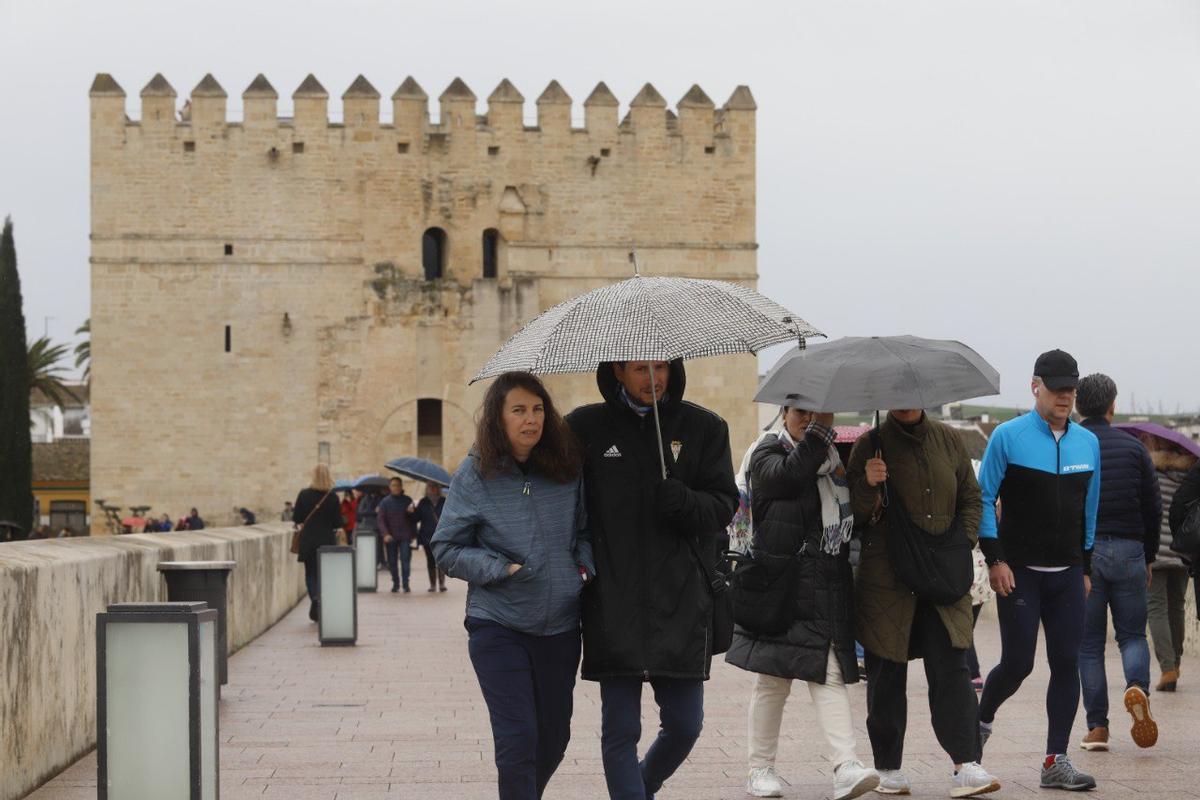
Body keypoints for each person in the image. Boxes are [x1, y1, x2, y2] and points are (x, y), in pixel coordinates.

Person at [566, 359, 738, 800]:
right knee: (620, 729)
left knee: (684, 725)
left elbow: (722, 505)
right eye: (639, 368)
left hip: (680, 599)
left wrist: (683, 501)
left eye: (660, 366)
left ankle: (640, 787)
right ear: (617, 373)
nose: (652, 377)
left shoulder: (704, 427)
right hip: (613, 599)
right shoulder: (584, 428)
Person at [432, 371, 593, 800]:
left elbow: (584, 532)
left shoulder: (566, 468)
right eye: (519, 410)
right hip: (498, 625)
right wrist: (502, 570)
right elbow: (446, 548)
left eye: (538, 409)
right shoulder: (475, 474)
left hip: (560, 626)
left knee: (554, 739)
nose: (531, 419)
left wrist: (582, 569)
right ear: (498, 419)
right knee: (518, 737)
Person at [725, 406, 879, 800]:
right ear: (784, 413)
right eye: (799, 412)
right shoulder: (766, 453)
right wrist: (817, 435)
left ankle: (845, 765)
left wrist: (869, 484)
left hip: (824, 588)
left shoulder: (835, 464)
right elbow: (788, 477)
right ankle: (760, 767)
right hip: (777, 589)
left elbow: (852, 522)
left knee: (828, 675)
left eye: (815, 413)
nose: (806, 419)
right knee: (773, 680)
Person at [847, 409, 1000, 798]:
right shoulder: (870, 444)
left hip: (941, 574)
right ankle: (888, 767)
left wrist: (961, 542)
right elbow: (856, 516)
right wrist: (867, 483)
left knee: (951, 665)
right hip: (887, 579)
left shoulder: (949, 439)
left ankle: (966, 763)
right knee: (886, 672)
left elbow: (971, 496)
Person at [976, 349, 1100, 791]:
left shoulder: (1089, 443)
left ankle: (1055, 760)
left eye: (1071, 389)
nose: (1066, 396)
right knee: (1017, 663)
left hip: (1067, 574)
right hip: (1020, 572)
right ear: (1036, 386)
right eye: (1057, 388)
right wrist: (996, 559)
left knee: (1068, 663)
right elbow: (983, 498)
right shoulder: (1007, 438)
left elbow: (1090, 509)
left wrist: (1084, 568)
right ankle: (980, 724)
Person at [1075, 374, 1161, 751]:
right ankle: (1137, 687)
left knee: (1090, 644)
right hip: (1129, 549)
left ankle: (1097, 728)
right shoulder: (1134, 448)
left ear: (1078, 405)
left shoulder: (1072, 446)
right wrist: (1150, 556)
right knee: (1132, 634)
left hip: (1086, 555)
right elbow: (1153, 506)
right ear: (1112, 406)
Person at [1156, 457, 1200, 690]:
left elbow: (1174, 506)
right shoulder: (1189, 470)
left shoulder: (1153, 472)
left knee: (1157, 608)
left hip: (1159, 551)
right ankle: (1175, 664)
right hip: (1181, 554)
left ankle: (1168, 667)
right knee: (1177, 606)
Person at [292, 465, 343, 622]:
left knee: (311, 573)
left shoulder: (304, 494)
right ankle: (320, 600)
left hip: (309, 540)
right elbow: (337, 522)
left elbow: (297, 518)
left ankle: (315, 597)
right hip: (326, 540)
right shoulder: (332, 497)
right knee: (324, 575)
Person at [377, 477, 417, 593]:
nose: (396, 487)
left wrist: (412, 513)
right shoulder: (385, 502)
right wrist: (385, 534)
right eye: (394, 485)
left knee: (405, 560)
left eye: (398, 485)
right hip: (391, 536)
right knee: (392, 561)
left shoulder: (408, 500)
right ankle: (395, 582)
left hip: (405, 535)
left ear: (401, 486)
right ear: (390, 487)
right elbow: (381, 520)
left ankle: (405, 583)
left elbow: (414, 519)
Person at [416, 482, 448, 592]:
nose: (433, 489)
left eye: (435, 486)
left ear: (439, 488)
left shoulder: (444, 501)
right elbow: (416, 518)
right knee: (430, 560)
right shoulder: (423, 502)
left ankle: (442, 583)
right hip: (426, 535)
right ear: (428, 488)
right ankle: (433, 584)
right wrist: (411, 512)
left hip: (441, 536)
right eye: (431, 486)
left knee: (440, 560)